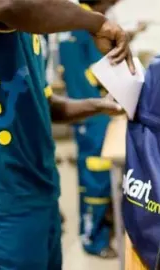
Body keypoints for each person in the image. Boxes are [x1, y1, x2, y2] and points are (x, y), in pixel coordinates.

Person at [0, 0, 134, 269]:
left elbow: (46, 105)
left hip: (41, 193)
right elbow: (7, 5)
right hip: (0, 202)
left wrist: (99, 106)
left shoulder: (30, 34)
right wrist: (95, 22)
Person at [58, 0, 147, 258]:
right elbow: (97, 71)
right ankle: (92, 239)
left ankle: (100, 224)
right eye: (111, 2)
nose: (113, 7)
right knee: (95, 180)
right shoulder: (84, 24)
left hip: (89, 110)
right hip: (91, 114)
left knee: (97, 177)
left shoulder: (77, 22)